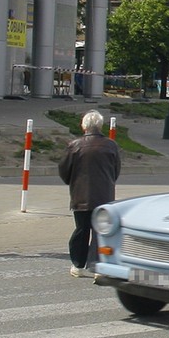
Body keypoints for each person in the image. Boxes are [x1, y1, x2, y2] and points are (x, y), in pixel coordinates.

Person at [57, 110, 121, 278]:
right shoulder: (111, 145)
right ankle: (98, 267)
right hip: (104, 195)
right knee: (100, 232)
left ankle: (78, 264)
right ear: (100, 126)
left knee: (81, 230)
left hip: (81, 195)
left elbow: (64, 170)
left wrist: (72, 182)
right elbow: (116, 171)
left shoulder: (75, 145)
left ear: (84, 126)